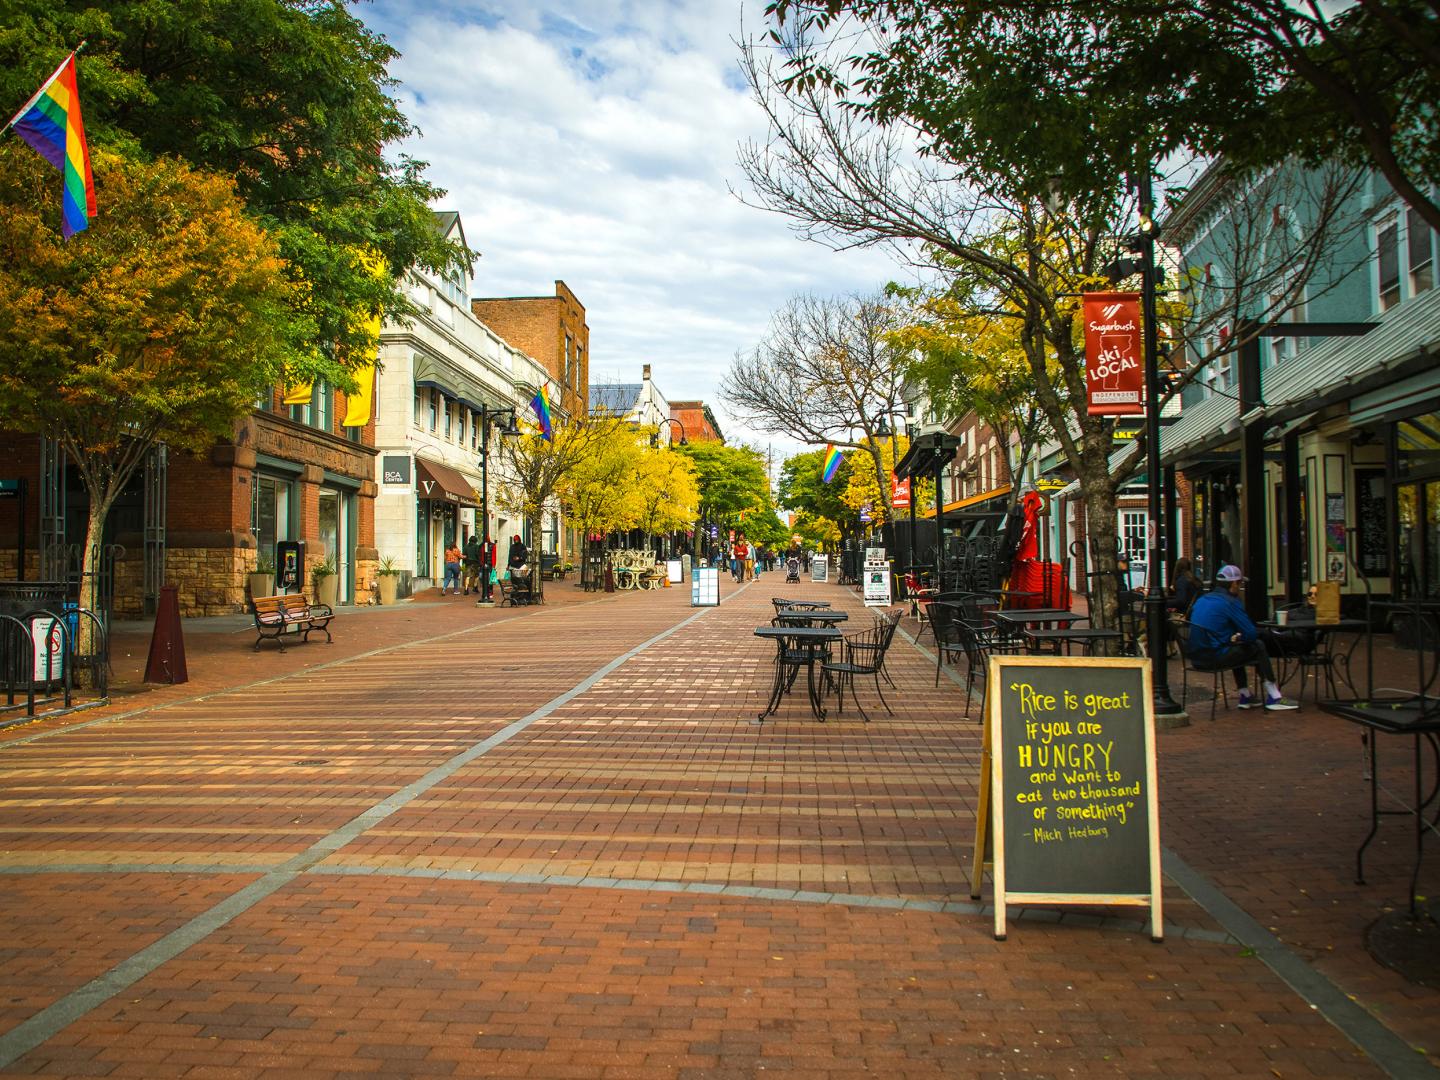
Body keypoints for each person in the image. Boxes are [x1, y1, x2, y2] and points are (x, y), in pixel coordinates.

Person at [1187, 565, 1297, 710]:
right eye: (1240, 583)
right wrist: (1240, 636)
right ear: (1233, 584)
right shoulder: (1230, 602)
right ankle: (1274, 696)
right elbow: (1250, 634)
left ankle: (1245, 695)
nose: (1240, 587)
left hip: (1196, 659)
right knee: (1257, 645)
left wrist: (1235, 637)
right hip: (1215, 658)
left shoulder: (1202, 600)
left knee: (1236, 646)